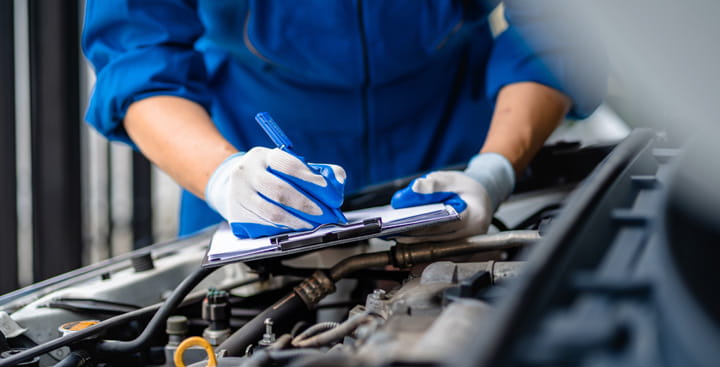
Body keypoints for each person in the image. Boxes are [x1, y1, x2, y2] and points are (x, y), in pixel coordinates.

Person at [82, 1, 605, 240]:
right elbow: (137, 51)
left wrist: (493, 169)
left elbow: (560, 25)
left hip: (461, 134)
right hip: (248, 154)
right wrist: (222, 177)